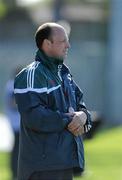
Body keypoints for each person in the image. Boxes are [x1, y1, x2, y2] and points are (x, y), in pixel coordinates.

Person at [14, 22, 92, 180]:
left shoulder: (64, 74)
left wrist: (83, 117)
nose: (68, 45)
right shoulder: (32, 74)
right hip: (42, 167)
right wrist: (71, 119)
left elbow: (82, 107)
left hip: (64, 162)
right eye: (63, 41)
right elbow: (35, 118)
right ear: (47, 44)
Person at [5, 67, 21, 180]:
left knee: (17, 148)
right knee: (17, 148)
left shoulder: (11, 84)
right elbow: (13, 103)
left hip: (15, 121)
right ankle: (15, 172)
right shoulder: (13, 85)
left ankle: (16, 172)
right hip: (17, 122)